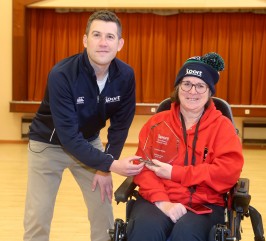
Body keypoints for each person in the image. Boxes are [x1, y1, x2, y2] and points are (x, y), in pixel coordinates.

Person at [23, 10, 144, 241]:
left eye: (110, 37)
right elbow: (68, 136)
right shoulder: (61, 75)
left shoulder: (126, 75)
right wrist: (111, 164)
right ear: (85, 40)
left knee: (102, 209)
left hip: (89, 142)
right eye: (96, 35)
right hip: (48, 145)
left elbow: (120, 125)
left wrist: (105, 166)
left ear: (120, 43)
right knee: (38, 215)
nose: (102, 42)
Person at [127, 53, 244, 241]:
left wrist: (175, 173)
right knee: (145, 231)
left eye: (200, 85)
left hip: (204, 203)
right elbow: (143, 167)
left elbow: (227, 173)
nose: (192, 91)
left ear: (209, 91)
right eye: (187, 84)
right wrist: (162, 202)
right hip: (158, 198)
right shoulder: (157, 123)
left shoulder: (222, 127)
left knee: (186, 235)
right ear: (178, 87)